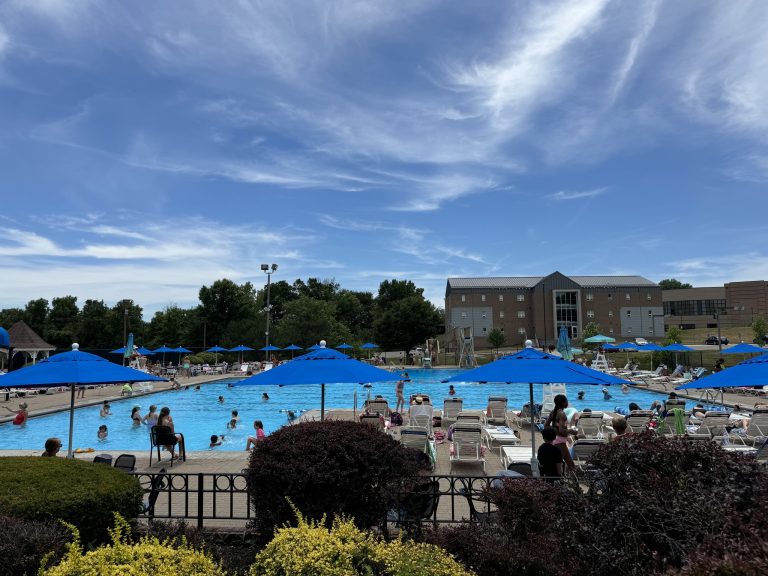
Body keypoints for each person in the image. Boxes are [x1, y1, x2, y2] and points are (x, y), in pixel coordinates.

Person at [544, 394, 577, 470]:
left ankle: (572, 478)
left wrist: (555, 429)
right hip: (560, 443)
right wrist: (571, 431)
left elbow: (546, 426)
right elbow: (561, 431)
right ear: (563, 403)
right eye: (566, 401)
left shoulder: (553, 412)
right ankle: (559, 476)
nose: (567, 402)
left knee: (569, 464)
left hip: (555, 440)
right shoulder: (562, 414)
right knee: (562, 465)